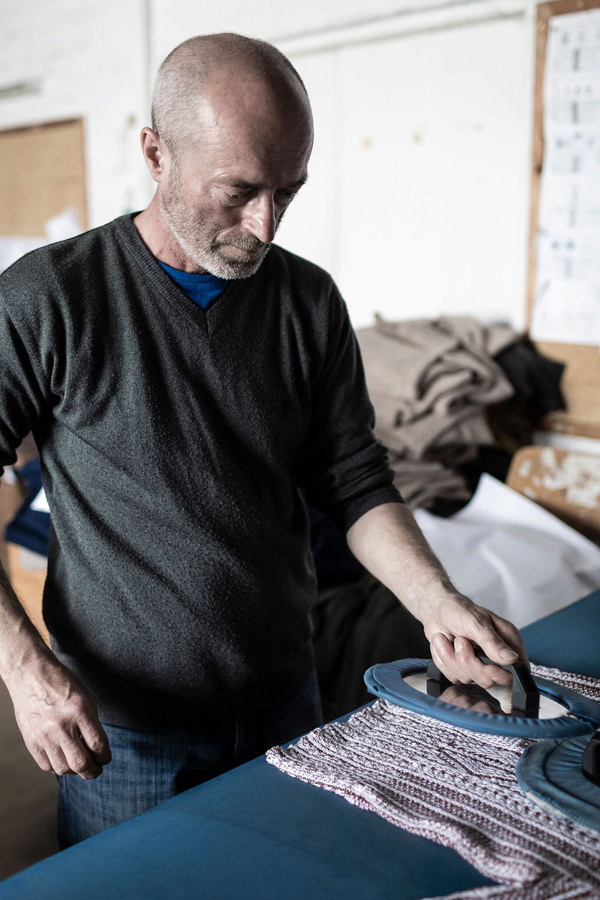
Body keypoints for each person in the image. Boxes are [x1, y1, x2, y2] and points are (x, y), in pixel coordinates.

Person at [0, 33, 526, 847]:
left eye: (290, 190)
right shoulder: (51, 297)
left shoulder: (309, 304)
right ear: (155, 154)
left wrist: (436, 602)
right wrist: (25, 670)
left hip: (290, 699)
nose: (266, 223)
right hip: (127, 731)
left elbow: (354, 480)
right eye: (239, 190)